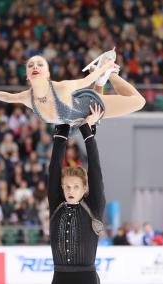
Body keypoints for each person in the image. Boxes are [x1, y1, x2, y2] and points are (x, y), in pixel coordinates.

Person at [0, 49, 145, 129]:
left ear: (47, 73)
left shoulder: (62, 87)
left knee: (139, 102)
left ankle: (107, 74)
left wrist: (106, 68)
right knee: (101, 100)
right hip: (85, 117)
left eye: (40, 64)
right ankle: (102, 75)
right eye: (31, 65)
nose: (35, 66)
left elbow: (87, 79)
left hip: (88, 106)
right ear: (27, 76)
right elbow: (9, 97)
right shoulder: (27, 97)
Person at [48, 104, 105, 284]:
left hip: (86, 278)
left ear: (84, 189)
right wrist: (62, 131)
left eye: (75, 187)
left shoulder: (94, 206)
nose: (70, 191)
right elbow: (55, 169)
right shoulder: (56, 204)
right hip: (60, 277)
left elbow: (95, 169)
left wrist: (86, 131)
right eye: (67, 187)